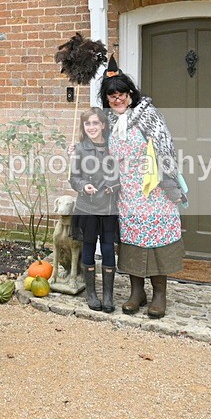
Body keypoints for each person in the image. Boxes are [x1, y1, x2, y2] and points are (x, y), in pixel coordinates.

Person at [101, 69, 185, 319]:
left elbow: (166, 149)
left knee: (157, 239)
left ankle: (159, 294)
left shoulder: (149, 117)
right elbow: (98, 150)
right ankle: (137, 292)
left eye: (121, 94)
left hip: (154, 190)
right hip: (127, 192)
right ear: (106, 99)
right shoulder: (108, 122)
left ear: (130, 94)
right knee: (132, 240)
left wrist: (171, 184)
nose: (117, 99)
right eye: (112, 96)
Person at [69, 107, 119, 313]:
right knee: (88, 247)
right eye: (87, 123)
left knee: (108, 249)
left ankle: (108, 295)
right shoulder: (79, 149)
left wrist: (111, 185)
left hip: (107, 207)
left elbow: (120, 174)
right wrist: (82, 186)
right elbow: (74, 177)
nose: (91, 127)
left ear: (103, 125)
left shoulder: (113, 147)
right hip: (87, 207)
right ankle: (91, 293)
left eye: (95, 123)